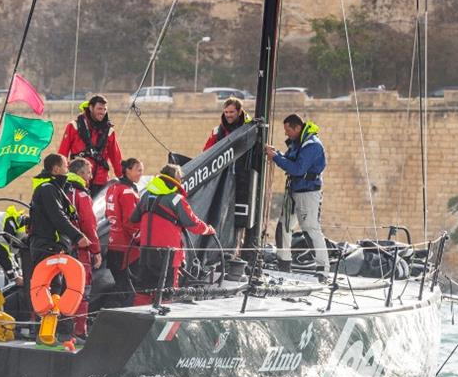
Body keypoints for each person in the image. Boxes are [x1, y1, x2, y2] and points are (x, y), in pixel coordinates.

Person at [130, 164, 215, 306]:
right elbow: (193, 224)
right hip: (168, 255)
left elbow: (133, 219)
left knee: (143, 290)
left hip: (146, 251)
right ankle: (162, 322)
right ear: (176, 179)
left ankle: (138, 320)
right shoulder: (176, 199)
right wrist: (209, 229)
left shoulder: (146, 196)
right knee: (166, 292)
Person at [28, 154, 90, 339]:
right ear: (55, 169)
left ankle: (53, 333)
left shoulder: (55, 188)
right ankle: (45, 335)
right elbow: (58, 217)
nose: (68, 168)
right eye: (65, 165)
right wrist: (78, 236)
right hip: (46, 246)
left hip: (54, 246)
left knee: (57, 289)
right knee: (49, 290)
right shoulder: (48, 189)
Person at [265, 114, 329, 281]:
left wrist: (276, 158)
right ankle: (284, 263)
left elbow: (298, 169)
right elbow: (289, 159)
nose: (287, 135)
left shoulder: (312, 145)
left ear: (297, 128)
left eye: (288, 131)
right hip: (294, 192)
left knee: (310, 229)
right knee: (283, 227)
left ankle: (322, 269)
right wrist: (276, 153)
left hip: (308, 193)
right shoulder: (298, 143)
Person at [203, 97, 253, 256]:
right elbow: (206, 153)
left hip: (244, 180)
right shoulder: (218, 131)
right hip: (222, 181)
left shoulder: (250, 129)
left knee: (240, 218)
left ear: (239, 111)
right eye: (226, 112)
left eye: (232, 112)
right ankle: (217, 253)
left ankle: (236, 253)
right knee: (220, 214)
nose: (229, 115)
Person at [65, 158, 102, 337]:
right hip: (78, 249)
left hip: (56, 248)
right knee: (81, 289)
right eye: (89, 172)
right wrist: (96, 251)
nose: (91, 176)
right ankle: (79, 331)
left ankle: (53, 329)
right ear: (80, 174)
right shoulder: (81, 194)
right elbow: (89, 224)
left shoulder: (56, 189)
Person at [58, 94, 123, 197]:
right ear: (91, 108)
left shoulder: (109, 131)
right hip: (77, 178)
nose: (102, 112)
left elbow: (116, 157)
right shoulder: (74, 126)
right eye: (99, 108)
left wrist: (123, 179)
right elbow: (63, 153)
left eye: (104, 109)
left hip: (100, 181)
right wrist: (59, 176)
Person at [102, 158, 143, 308]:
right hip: (128, 250)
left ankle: (110, 316)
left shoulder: (112, 188)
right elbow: (130, 222)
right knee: (130, 292)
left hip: (113, 246)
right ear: (128, 170)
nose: (141, 173)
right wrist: (142, 240)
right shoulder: (127, 191)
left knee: (120, 288)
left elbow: (109, 214)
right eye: (138, 170)